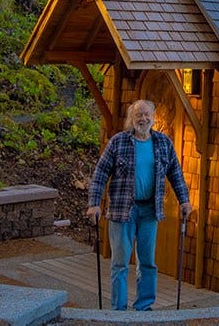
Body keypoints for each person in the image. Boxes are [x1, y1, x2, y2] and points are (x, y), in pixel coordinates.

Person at [86, 99, 191, 311]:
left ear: (153, 117)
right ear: (131, 119)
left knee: (147, 262)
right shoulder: (118, 142)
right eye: (138, 115)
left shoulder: (163, 143)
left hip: (150, 210)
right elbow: (100, 174)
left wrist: (184, 200)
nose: (143, 119)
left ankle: (144, 307)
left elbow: (176, 174)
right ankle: (119, 309)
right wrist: (94, 203)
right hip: (122, 210)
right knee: (120, 263)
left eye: (146, 115)